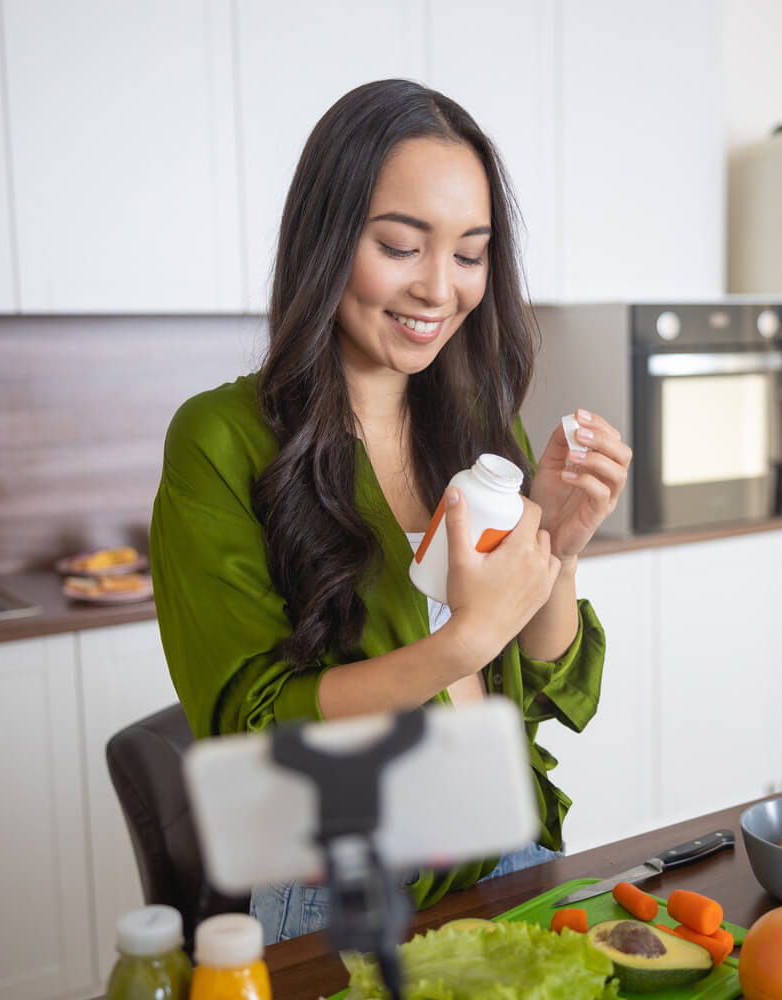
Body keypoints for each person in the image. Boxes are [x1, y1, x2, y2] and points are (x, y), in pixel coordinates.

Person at [150, 79, 632, 943]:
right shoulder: (221, 439)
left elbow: (553, 684)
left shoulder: (477, 422)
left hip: (510, 854)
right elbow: (245, 724)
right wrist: (461, 643)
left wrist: (557, 545)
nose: (438, 289)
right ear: (329, 238)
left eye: (470, 253)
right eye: (402, 246)